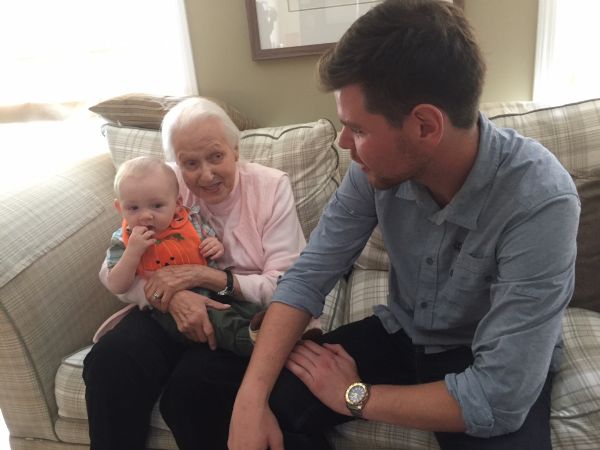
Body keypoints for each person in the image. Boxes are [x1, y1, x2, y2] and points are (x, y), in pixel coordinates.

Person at [229, 1, 580, 450]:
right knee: (268, 401)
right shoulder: (371, 173)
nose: (344, 145)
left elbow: (498, 397)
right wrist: (249, 399)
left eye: (357, 130)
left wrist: (355, 396)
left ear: (425, 125)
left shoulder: (539, 200)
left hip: (486, 353)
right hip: (404, 333)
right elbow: (308, 276)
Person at [82, 97, 310, 450]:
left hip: (235, 306)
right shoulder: (163, 186)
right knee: (111, 362)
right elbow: (113, 273)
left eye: (216, 156)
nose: (205, 174)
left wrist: (205, 278)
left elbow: (286, 285)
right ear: (176, 163)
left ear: (235, 150)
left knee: (192, 390)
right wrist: (171, 296)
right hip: (164, 304)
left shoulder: (270, 187)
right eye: (190, 163)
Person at [102, 155, 265, 354]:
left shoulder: (190, 222)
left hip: (214, 290)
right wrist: (133, 253)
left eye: (157, 206)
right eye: (133, 208)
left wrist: (215, 246)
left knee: (246, 307)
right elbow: (116, 285)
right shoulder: (123, 240)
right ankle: (251, 342)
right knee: (219, 322)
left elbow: (211, 244)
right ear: (120, 208)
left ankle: (275, 326)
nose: (145, 216)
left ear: (178, 204)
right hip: (172, 313)